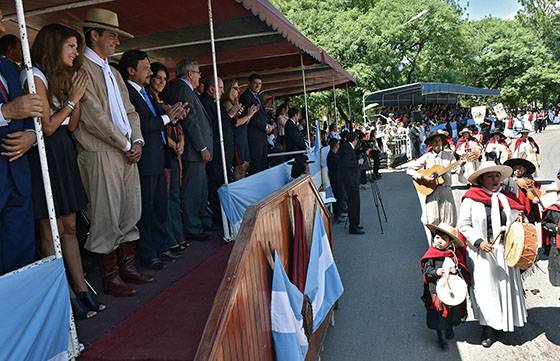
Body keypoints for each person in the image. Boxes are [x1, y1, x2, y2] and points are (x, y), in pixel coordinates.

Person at [22, 23, 105, 319]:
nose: (75, 53)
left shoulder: (59, 77)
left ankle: (82, 287)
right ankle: (66, 293)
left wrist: (76, 96)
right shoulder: (35, 75)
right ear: (53, 45)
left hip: (63, 153)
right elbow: (47, 126)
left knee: (70, 226)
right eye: (70, 46)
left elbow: (71, 124)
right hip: (43, 157)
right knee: (50, 229)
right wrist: (71, 100)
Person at [75, 8, 154, 297]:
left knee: (129, 209)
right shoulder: (82, 68)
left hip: (125, 150)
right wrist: (126, 144)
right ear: (93, 34)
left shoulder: (113, 71)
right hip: (101, 151)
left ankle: (126, 266)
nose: (116, 41)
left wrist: (138, 141)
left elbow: (131, 111)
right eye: (111, 35)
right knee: (105, 213)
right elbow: (94, 117)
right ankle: (110, 275)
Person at [120, 50, 186, 269]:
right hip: (145, 161)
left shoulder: (145, 93)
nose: (150, 71)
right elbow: (143, 125)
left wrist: (174, 114)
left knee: (159, 207)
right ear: (131, 70)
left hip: (158, 159)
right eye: (146, 68)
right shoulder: (128, 93)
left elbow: (160, 116)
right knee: (146, 210)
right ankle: (147, 254)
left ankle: (160, 247)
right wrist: (168, 116)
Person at [457, 162, 527, 347]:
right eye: (490, 176)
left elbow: (517, 220)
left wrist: (519, 219)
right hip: (482, 253)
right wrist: (479, 242)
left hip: (505, 250)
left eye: (497, 176)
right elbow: (463, 225)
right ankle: (487, 329)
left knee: (505, 288)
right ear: (481, 179)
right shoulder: (471, 199)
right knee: (486, 292)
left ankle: (502, 325)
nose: (495, 180)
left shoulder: (506, 198)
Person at [0, 9, 43, 275]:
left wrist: (32, 135)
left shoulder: (9, 67)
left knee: (19, 261)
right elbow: (14, 109)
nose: (3, 26)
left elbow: (31, 110)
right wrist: (5, 113)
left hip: (17, 174)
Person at [162, 59, 213, 241]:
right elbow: (191, 121)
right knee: (192, 191)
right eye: (198, 72)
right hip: (193, 151)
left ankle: (198, 224)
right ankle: (193, 227)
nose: (200, 76)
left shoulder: (186, 90)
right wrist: (203, 146)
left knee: (199, 189)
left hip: (195, 151)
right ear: (190, 74)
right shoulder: (183, 89)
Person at [148, 62, 189, 252]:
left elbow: (177, 126)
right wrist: (172, 144)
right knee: (163, 201)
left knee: (174, 197)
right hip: (162, 153)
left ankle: (178, 236)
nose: (162, 82)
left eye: (165, 79)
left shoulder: (166, 101)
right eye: (158, 78)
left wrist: (180, 141)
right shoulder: (148, 100)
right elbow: (156, 128)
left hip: (175, 154)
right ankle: (169, 240)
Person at [420, 223, 469, 350]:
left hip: (450, 289)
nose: (439, 241)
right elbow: (426, 270)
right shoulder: (431, 254)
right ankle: (440, 335)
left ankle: (449, 328)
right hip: (435, 290)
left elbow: (460, 269)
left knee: (452, 311)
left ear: (450, 242)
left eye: (443, 239)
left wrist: (455, 270)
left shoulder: (452, 254)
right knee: (439, 314)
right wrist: (436, 272)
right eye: (437, 237)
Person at [407, 130, 459, 241]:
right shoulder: (427, 157)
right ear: (430, 143)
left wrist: (461, 165)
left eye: (439, 140)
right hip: (432, 191)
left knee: (448, 219)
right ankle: (435, 246)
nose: (437, 143)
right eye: (434, 141)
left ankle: (447, 247)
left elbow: (457, 168)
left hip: (446, 190)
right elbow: (409, 169)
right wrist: (423, 177)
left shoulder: (449, 155)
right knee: (432, 219)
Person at [199, 76, 234, 229]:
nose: (222, 92)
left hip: (225, 151)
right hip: (217, 153)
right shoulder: (206, 103)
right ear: (211, 88)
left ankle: (223, 216)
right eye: (219, 88)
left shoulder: (216, 103)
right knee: (217, 185)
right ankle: (219, 219)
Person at [222, 79, 257, 180]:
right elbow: (236, 123)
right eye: (236, 88)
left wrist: (250, 114)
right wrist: (249, 115)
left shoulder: (235, 102)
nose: (239, 91)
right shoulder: (227, 103)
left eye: (239, 88)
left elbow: (244, 121)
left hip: (243, 136)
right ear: (229, 89)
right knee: (239, 167)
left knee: (245, 165)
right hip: (236, 137)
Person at [239, 73, 274, 174]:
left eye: (260, 84)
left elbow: (263, 113)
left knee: (263, 160)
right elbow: (251, 117)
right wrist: (264, 126)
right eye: (255, 83)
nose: (258, 86)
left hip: (262, 135)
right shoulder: (245, 96)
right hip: (254, 135)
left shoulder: (259, 96)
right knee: (256, 162)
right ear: (249, 83)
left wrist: (270, 123)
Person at [338, 132, 364, 235]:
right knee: (353, 203)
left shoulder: (348, 147)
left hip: (352, 180)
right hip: (350, 181)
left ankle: (355, 224)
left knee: (355, 202)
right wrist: (358, 162)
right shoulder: (346, 148)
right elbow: (346, 163)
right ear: (354, 140)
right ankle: (353, 226)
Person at [502, 158, 541, 224]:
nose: (517, 170)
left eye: (520, 168)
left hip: (526, 209)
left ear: (525, 170)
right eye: (515, 168)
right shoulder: (507, 180)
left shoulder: (528, 181)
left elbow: (534, 194)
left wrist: (535, 199)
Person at [327, 138, 346, 222]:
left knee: (341, 195)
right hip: (336, 179)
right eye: (338, 144)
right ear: (335, 145)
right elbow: (337, 167)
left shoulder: (335, 154)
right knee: (338, 196)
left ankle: (340, 211)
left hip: (338, 178)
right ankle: (337, 215)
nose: (339, 145)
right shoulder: (331, 156)